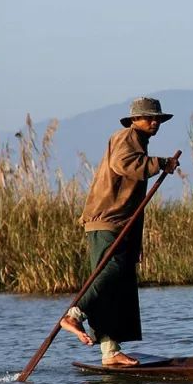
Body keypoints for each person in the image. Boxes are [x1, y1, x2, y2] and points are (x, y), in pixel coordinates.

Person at [60, 96, 179, 366]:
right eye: (149, 118)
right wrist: (160, 164)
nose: (154, 122)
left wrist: (136, 242)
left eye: (157, 119)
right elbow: (124, 165)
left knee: (119, 283)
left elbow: (133, 185)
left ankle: (110, 351)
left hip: (121, 223)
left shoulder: (139, 142)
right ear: (135, 120)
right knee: (110, 270)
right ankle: (75, 314)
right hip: (107, 220)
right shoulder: (126, 137)